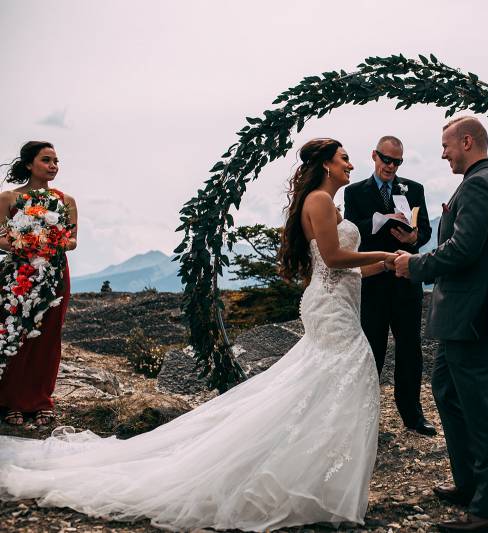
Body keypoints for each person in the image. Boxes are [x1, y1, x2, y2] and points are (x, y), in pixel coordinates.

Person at [0, 138, 396, 532]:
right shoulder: (320, 201)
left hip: (338, 301)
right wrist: (383, 253)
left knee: (323, 384)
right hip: (330, 309)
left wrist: (391, 266)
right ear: (327, 164)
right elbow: (330, 258)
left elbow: (345, 269)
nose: (351, 164)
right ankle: (308, 481)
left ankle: (319, 482)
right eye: (345, 158)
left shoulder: (329, 203)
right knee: (341, 377)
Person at [395, 117, 488, 533]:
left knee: (481, 412)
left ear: (467, 142)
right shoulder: (484, 181)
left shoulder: (482, 184)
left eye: (447, 145)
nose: (443, 153)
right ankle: (468, 483)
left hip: (471, 316)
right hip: (459, 317)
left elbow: (464, 249)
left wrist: (414, 265)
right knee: (447, 392)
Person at [343, 135, 435, 436]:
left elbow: (425, 230)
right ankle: (365, 417)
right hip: (373, 282)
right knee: (372, 350)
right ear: (374, 156)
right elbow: (352, 231)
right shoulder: (355, 192)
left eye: (397, 162)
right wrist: (380, 221)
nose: (391, 166)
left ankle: (413, 416)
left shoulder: (414, 189)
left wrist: (413, 239)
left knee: (410, 348)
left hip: (406, 281)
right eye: (386, 160)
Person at [0, 141, 78, 427]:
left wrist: (51, 240)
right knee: (17, 334)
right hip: (19, 275)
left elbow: (72, 240)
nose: (53, 166)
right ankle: (11, 400)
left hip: (55, 274)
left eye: (56, 161)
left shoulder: (66, 201)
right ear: (29, 164)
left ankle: (41, 400)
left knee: (48, 336)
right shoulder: (8, 198)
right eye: (46, 160)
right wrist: (25, 240)